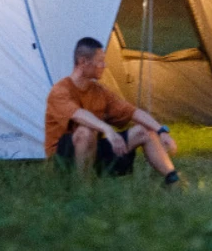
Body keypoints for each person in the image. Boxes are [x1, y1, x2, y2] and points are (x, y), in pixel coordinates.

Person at [45, 36, 181, 186]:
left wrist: (161, 130)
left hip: (93, 151)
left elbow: (132, 112)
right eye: (100, 61)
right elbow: (78, 114)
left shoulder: (99, 91)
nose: (104, 65)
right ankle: (82, 189)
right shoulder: (60, 91)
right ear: (83, 62)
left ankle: (173, 179)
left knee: (144, 131)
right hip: (62, 158)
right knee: (85, 131)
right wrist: (107, 129)